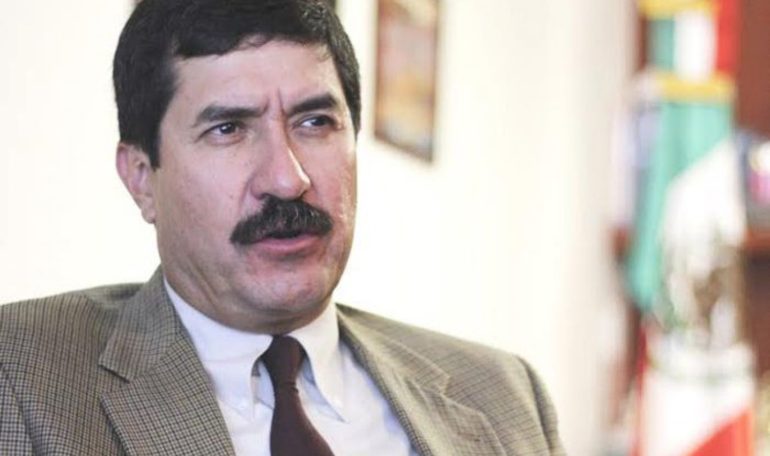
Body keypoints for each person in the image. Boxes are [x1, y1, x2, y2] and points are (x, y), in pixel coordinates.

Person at [0, 0, 564, 454]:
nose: (287, 179)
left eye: (315, 122)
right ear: (142, 178)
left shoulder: (504, 396)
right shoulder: (21, 377)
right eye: (228, 129)